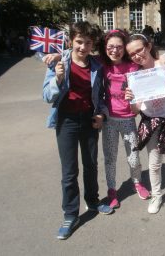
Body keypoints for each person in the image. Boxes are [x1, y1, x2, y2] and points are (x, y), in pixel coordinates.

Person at [42, 21, 106, 240]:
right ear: (70, 40)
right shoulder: (59, 62)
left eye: (88, 43)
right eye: (79, 41)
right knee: (69, 172)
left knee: (91, 165)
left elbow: (103, 96)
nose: (82, 47)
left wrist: (101, 115)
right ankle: (70, 214)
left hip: (89, 120)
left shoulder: (97, 65)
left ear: (93, 44)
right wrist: (58, 78)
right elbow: (47, 96)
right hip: (66, 121)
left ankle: (93, 200)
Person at [125, 34, 165, 214]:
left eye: (140, 49)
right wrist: (130, 100)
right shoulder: (135, 76)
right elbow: (135, 111)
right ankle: (157, 196)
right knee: (153, 164)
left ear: (148, 46)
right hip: (150, 123)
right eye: (132, 54)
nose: (137, 55)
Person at [97, 29, 150, 215]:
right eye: (110, 47)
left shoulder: (133, 67)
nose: (115, 50)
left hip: (128, 119)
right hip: (109, 120)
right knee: (110, 158)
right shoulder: (101, 65)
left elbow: (151, 68)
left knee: (134, 157)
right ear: (105, 48)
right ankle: (112, 190)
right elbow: (80, 58)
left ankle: (137, 182)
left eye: (119, 47)